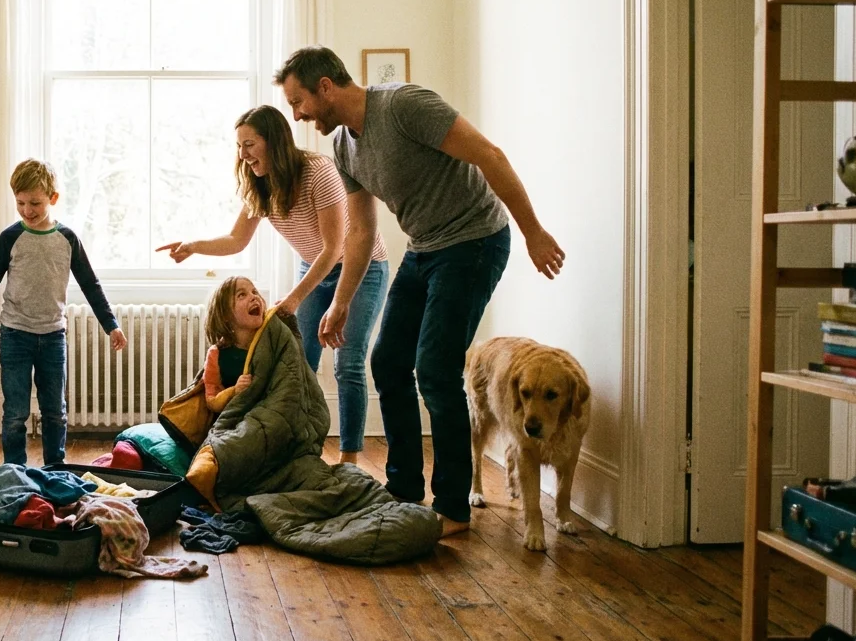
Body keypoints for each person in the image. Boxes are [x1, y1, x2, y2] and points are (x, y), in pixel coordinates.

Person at [275, 45, 565, 536]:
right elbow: (362, 233)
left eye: (298, 101)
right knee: (387, 361)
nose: (298, 115)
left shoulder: (404, 106)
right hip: (424, 247)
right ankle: (404, 489)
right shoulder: (344, 147)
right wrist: (341, 301)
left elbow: (489, 155)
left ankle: (452, 506)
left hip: (474, 240)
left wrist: (533, 231)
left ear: (326, 86)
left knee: (434, 368)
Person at [157, 105, 389, 464]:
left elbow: (333, 248)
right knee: (298, 363)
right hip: (314, 266)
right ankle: (301, 451)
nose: (243, 154)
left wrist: (293, 299)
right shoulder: (259, 184)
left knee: (348, 363)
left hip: (360, 268)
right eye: (239, 146)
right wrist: (193, 247)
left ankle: (349, 458)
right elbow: (237, 240)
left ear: (275, 142)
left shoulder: (317, 172)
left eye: (249, 144)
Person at [0, 158, 128, 466]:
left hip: (53, 336)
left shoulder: (66, 239)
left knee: (55, 409)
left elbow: (91, 285)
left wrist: (112, 325)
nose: (28, 211)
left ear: (53, 199)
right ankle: (15, 469)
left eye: (36, 203)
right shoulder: (10, 237)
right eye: (21, 203)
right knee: (15, 412)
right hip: (15, 335)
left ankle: (56, 468)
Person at [199, 276, 267, 414]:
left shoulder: (271, 343)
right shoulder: (216, 354)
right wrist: (234, 391)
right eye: (241, 295)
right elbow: (212, 402)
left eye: (254, 291)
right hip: (232, 420)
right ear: (225, 314)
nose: (254, 297)